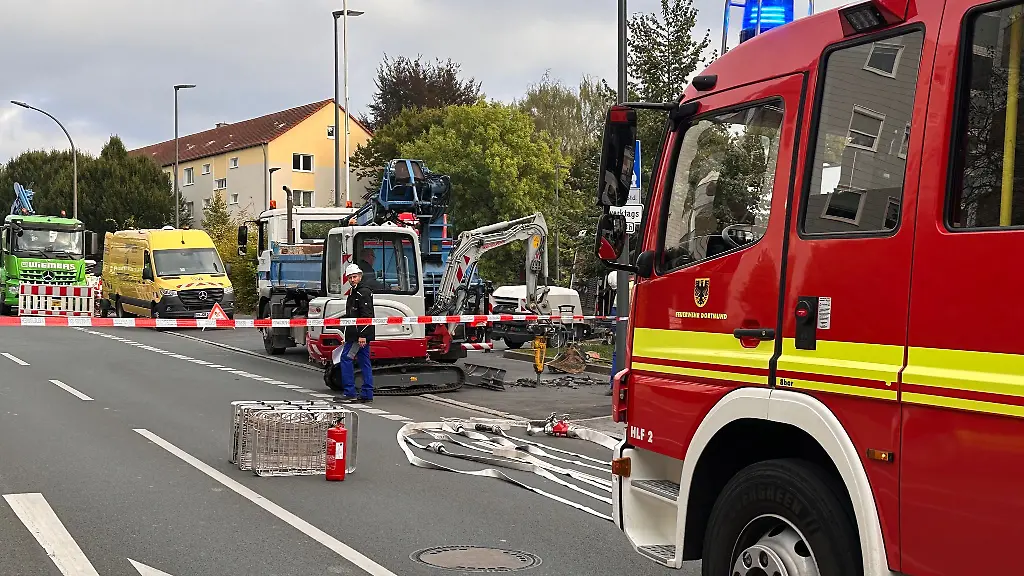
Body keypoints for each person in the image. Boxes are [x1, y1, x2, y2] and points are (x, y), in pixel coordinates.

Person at [336, 263, 375, 403]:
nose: (352, 280)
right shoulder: (356, 291)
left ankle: (349, 393)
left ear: (360, 276)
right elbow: (352, 316)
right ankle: (367, 394)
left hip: (358, 335)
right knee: (364, 362)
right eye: (350, 277)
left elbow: (366, 315)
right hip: (357, 335)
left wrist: (362, 335)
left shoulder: (361, 292)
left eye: (354, 277)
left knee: (346, 359)